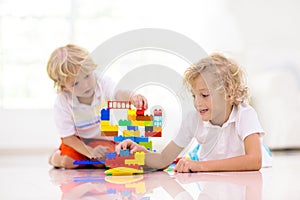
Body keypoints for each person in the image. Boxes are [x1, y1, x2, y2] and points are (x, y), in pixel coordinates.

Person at [116, 53, 272, 173]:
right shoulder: (193, 119)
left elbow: (254, 161)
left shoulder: (245, 114)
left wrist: (201, 166)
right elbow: (163, 159)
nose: (197, 102)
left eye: (204, 95)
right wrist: (140, 152)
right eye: (194, 95)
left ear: (229, 94)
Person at [47, 44, 147, 169]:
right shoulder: (63, 101)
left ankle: (91, 159)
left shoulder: (102, 83)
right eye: (75, 83)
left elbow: (118, 93)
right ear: (63, 86)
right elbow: (68, 138)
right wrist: (90, 152)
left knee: (106, 161)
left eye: (87, 76)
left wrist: (132, 97)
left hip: (102, 139)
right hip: (77, 141)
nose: (85, 85)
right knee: (68, 162)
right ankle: (54, 157)